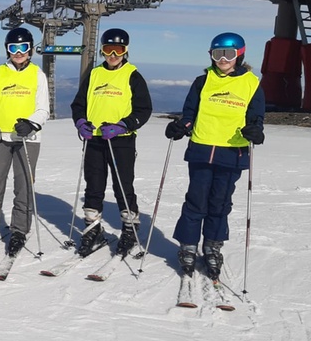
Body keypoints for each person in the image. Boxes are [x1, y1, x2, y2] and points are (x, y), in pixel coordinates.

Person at [166, 32, 265, 281]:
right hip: (202, 147)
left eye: (228, 54)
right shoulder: (202, 81)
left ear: (239, 55)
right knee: (196, 200)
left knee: (220, 203)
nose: (222, 59)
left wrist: (255, 130)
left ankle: (212, 245)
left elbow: (256, 116)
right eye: (217, 54)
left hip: (233, 151)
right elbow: (190, 111)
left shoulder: (252, 83)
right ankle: (188, 245)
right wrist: (182, 126)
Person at [70, 28, 152, 257]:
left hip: (121, 141)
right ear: (102, 51)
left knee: (122, 186)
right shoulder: (95, 74)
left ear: (126, 51)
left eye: (119, 50)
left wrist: (124, 125)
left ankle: (130, 228)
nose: (113, 54)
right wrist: (80, 122)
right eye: (108, 49)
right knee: (94, 185)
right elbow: (79, 104)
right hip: (95, 139)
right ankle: (93, 228)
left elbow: (144, 109)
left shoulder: (132, 75)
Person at [0, 27, 49, 257]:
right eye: (13, 48)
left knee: (24, 184)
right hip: (1, 137)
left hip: (28, 138)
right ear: (7, 50)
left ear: (30, 49)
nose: (18, 52)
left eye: (23, 47)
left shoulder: (37, 74)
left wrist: (32, 123)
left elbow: (43, 108)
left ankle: (19, 230)